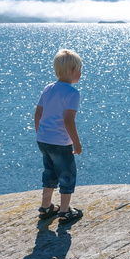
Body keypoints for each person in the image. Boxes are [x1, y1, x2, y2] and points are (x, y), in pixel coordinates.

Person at [34, 48, 84, 224]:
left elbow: (37, 115)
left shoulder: (48, 89)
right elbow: (68, 121)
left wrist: (41, 134)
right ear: (72, 71)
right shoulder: (72, 93)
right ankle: (64, 212)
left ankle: (46, 207)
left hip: (44, 139)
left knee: (49, 172)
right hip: (61, 143)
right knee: (66, 175)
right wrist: (77, 144)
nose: (80, 73)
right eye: (79, 69)